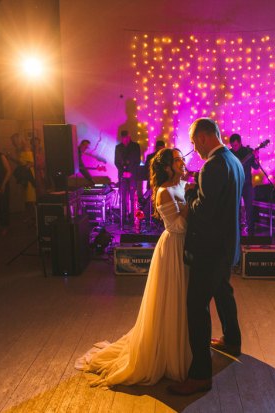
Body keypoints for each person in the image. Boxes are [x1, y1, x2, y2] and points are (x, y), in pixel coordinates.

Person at [75, 148, 191, 386]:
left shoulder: (183, 185)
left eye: (182, 159)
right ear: (167, 166)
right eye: (178, 159)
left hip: (186, 248)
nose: (183, 162)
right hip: (173, 246)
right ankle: (167, 352)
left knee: (184, 299)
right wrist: (194, 202)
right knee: (170, 299)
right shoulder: (163, 192)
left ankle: (183, 345)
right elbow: (178, 226)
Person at [168, 118, 244, 396]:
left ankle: (200, 375)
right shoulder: (234, 160)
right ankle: (232, 341)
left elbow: (204, 210)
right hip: (227, 246)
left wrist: (190, 194)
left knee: (196, 308)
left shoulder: (212, 166)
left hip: (209, 250)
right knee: (224, 292)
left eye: (193, 142)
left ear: (202, 138)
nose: (194, 149)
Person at [229, 133, 259, 235]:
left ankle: (251, 232)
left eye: (236, 145)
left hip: (247, 184)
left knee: (249, 208)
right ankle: (236, 232)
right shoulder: (229, 153)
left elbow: (256, 167)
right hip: (235, 185)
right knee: (235, 209)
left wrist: (256, 157)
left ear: (240, 143)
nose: (234, 148)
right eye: (232, 146)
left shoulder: (248, 152)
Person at [114, 131, 141, 224]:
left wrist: (130, 173)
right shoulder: (118, 147)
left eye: (126, 137)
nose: (124, 139)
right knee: (123, 198)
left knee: (133, 198)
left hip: (132, 176)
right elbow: (116, 162)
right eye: (123, 138)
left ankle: (133, 219)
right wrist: (123, 173)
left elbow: (137, 161)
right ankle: (123, 219)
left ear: (129, 137)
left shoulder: (135, 146)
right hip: (122, 177)